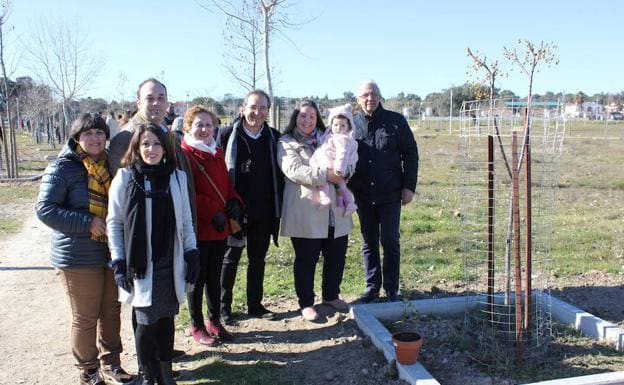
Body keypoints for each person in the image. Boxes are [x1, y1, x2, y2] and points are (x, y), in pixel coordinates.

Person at [35, 113, 133, 385]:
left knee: (112, 312)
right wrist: (87, 222)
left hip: (110, 250)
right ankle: (89, 371)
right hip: (77, 255)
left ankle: (112, 364)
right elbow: (45, 210)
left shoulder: (112, 164)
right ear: (76, 137)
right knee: (86, 316)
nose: (95, 138)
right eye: (88, 133)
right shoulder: (64, 167)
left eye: (100, 133)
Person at [106, 123, 199, 385]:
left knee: (167, 318)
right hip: (140, 264)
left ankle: (166, 373)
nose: (151, 149)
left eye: (157, 143)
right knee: (146, 322)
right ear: (136, 147)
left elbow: (185, 222)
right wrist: (119, 261)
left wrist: (191, 252)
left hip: (170, 261)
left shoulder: (176, 177)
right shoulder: (125, 178)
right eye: (145, 144)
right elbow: (114, 223)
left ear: (165, 147)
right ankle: (148, 374)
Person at [277, 99, 353, 321]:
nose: (307, 120)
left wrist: (346, 171)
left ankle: (331, 295)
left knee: (336, 255)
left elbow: (349, 159)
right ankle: (306, 302)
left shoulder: (331, 136)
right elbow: (293, 170)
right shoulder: (286, 142)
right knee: (306, 258)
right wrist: (327, 176)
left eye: (311, 116)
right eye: (303, 116)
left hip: (335, 211)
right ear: (295, 118)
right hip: (306, 209)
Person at [349, 80, 419, 303]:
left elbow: (410, 154)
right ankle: (372, 287)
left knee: (390, 240)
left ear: (380, 97)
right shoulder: (351, 124)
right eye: (365, 95)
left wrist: (409, 187)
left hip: (390, 193)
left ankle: (391, 289)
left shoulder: (396, 122)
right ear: (358, 99)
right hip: (362, 194)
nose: (370, 99)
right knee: (368, 241)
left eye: (374, 94)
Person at [217, 89, 283, 323]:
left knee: (258, 258)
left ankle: (255, 304)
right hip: (234, 210)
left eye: (263, 108)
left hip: (264, 209)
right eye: (253, 107)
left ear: (268, 111)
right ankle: (223, 308)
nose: (258, 112)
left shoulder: (274, 137)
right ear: (243, 109)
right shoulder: (226, 136)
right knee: (230, 258)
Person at [180, 106, 242, 345]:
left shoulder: (216, 151)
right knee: (197, 277)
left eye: (208, 124)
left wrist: (235, 201)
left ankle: (214, 320)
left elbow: (226, 185)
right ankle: (196, 325)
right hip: (199, 227)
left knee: (215, 276)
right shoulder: (185, 154)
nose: (204, 129)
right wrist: (211, 210)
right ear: (188, 127)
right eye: (199, 124)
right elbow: (188, 191)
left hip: (220, 227)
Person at [309, 103, 358, 216]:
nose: (338, 128)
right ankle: (350, 203)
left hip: (333, 166)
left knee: (323, 182)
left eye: (342, 126)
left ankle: (325, 198)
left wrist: (339, 168)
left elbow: (342, 154)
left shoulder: (342, 139)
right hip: (331, 165)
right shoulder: (331, 135)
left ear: (349, 127)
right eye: (335, 125)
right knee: (342, 186)